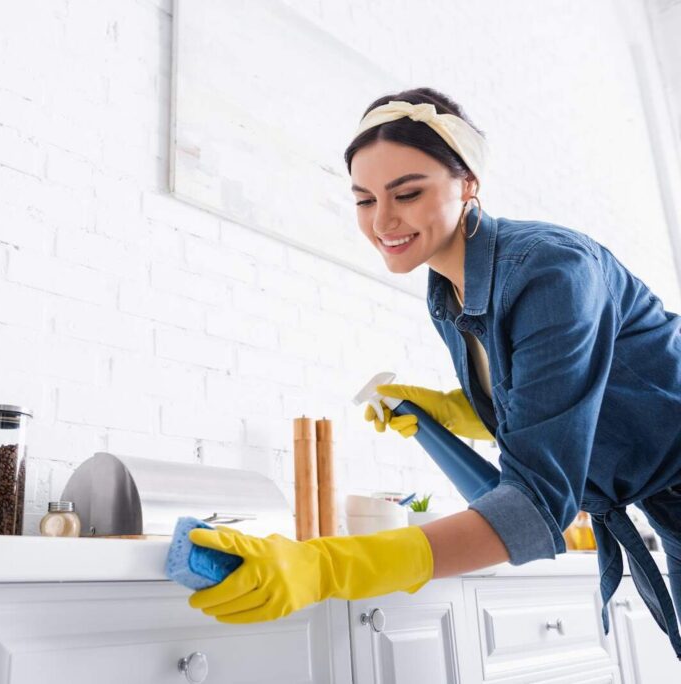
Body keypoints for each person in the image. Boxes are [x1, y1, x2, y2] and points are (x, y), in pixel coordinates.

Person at [186, 87, 681, 659]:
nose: (383, 221)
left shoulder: (553, 271)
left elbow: (539, 502)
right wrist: (452, 410)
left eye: (409, 193)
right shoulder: (447, 292)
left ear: (468, 183)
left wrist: (326, 566)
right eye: (364, 200)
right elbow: (549, 408)